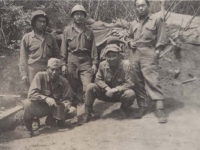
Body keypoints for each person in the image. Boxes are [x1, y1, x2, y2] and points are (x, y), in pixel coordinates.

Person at [128, 0, 167, 123]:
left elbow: (162, 38)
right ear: (135, 8)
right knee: (137, 81)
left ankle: (160, 109)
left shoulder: (156, 20)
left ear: (148, 6)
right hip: (135, 54)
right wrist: (130, 42)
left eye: (143, 5)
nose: (140, 8)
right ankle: (142, 107)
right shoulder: (133, 23)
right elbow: (129, 36)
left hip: (149, 52)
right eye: (138, 6)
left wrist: (156, 53)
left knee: (153, 80)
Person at [23, 58, 76, 137]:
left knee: (72, 110)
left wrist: (64, 106)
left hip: (53, 109)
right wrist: (46, 98)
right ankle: (29, 129)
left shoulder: (64, 81)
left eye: (57, 70)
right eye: (52, 69)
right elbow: (31, 94)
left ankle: (53, 120)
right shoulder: (40, 76)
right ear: (47, 69)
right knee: (27, 103)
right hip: (39, 107)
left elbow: (68, 99)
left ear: (60, 70)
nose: (54, 72)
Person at [84, 44, 135, 122]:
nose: (111, 59)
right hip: (106, 93)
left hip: (119, 94)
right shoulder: (102, 65)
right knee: (90, 86)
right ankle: (88, 112)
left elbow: (130, 83)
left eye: (114, 56)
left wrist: (116, 89)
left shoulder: (126, 65)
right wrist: (107, 88)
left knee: (130, 93)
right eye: (109, 56)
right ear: (105, 56)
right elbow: (98, 79)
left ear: (119, 56)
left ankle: (124, 109)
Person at [61, 5, 98, 105]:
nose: (79, 17)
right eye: (76, 14)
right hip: (72, 59)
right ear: (73, 16)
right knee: (72, 86)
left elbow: (93, 48)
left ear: (84, 16)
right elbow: (63, 48)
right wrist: (63, 64)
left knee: (88, 85)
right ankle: (73, 109)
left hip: (86, 60)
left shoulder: (89, 31)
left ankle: (88, 110)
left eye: (81, 14)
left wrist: (94, 63)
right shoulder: (67, 31)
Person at [19, 10, 60, 87]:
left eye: (44, 22)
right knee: (34, 93)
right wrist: (23, 74)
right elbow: (23, 58)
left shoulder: (50, 37)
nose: (42, 24)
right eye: (39, 21)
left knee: (49, 93)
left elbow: (57, 55)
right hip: (33, 71)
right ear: (34, 22)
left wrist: (56, 70)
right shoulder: (27, 38)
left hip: (48, 70)